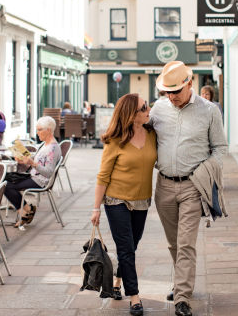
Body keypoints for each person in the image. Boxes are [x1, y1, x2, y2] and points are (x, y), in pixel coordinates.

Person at [149, 61, 227, 316]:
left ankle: (182, 296)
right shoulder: (158, 109)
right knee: (174, 243)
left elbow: (220, 149)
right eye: (167, 92)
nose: (171, 97)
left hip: (193, 186)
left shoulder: (209, 110)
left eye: (176, 92)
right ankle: (182, 282)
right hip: (164, 186)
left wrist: (205, 172)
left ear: (189, 84)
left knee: (185, 243)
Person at [91, 93, 156, 316]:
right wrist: (96, 208)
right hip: (116, 200)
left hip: (142, 200)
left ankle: (118, 280)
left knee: (131, 246)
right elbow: (103, 176)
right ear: (131, 115)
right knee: (126, 249)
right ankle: (135, 297)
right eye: (143, 108)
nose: (149, 109)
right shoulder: (115, 140)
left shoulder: (151, 133)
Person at [4, 116, 61, 229]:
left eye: (40, 130)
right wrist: (24, 160)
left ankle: (25, 212)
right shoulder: (46, 144)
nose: (37, 132)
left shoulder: (52, 148)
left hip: (40, 180)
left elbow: (48, 173)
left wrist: (32, 163)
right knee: (5, 180)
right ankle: (27, 209)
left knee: (6, 186)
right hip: (34, 176)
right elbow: (39, 161)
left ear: (48, 130)